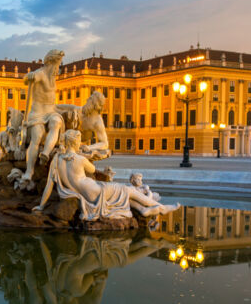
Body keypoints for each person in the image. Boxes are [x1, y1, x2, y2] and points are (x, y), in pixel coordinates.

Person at [34, 130, 179, 220]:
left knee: (126, 194)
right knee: (128, 190)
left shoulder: (56, 160)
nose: (80, 143)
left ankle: (143, 210)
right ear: (74, 142)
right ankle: (160, 207)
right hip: (96, 192)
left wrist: (41, 206)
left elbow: (48, 185)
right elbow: (91, 169)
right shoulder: (80, 159)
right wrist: (87, 153)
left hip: (86, 193)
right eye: (79, 141)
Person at [18, 49, 66, 189]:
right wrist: (29, 76)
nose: (58, 67)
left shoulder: (53, 78)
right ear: (50, 62)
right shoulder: (40, 74)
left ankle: (45, 152)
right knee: (37, 136)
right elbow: (26, 79)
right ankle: (29, 170)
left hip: (51, 111)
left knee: (57, 122)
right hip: (37, 113)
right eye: (57, 64)